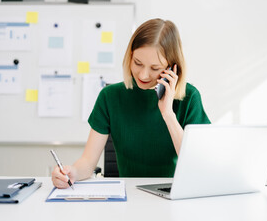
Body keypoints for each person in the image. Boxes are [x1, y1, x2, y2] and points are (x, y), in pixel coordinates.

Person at [52, 18, 210, 188]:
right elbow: (88, 162)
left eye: (155, 68)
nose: (143, 75)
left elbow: (195, 165)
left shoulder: (189, 98)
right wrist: (72, 173)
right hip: (129, 197)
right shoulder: (110, 97)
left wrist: (168, 114)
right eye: (138, 63)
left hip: (175, 194)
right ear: (130, 57)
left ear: (173, 68)